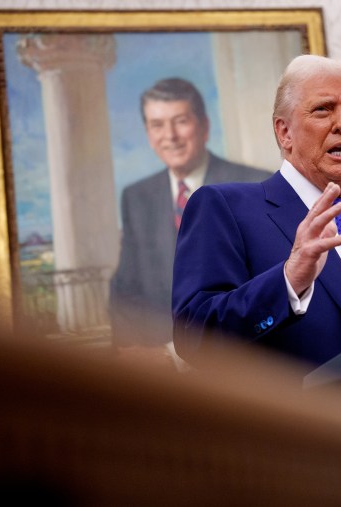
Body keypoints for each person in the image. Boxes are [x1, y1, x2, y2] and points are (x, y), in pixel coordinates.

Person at [172, 55, 341, 370]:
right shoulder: (225, 207)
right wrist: (287, 282)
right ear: (284, 132)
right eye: (323, 109)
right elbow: (194, 337)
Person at [109, 77, 271, 358]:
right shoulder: (137, 197)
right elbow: (125, 291)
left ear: (204, 126)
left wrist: (173, 357)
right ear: (148, 133)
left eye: (181, 120)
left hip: (242, 369)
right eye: (157, 125)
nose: (170, 136)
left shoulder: (255, 186)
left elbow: (269, 293)